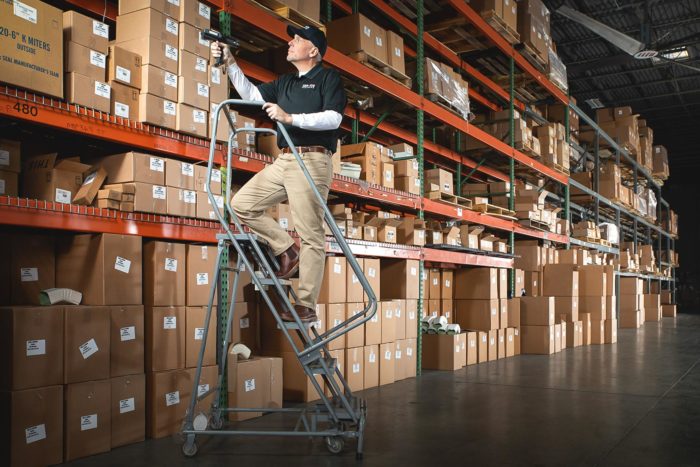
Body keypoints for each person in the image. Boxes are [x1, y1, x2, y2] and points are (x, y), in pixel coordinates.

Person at [211, 25, 346, 323]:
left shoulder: (327, 78)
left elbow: (334, 117)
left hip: (312, 159)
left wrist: (290, 117)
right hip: (284, 160)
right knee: (241, 204)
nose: (290, 42)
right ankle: (286, 248)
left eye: (297, 40)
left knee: (310, 233)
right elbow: (250, 95)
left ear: (313, 50)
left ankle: (307, 303)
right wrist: (230, 62)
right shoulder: (285, 83)